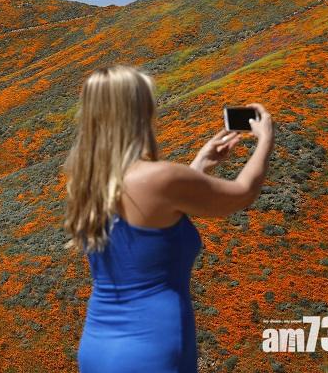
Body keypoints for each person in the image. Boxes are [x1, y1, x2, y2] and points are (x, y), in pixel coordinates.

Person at [62, 64, 274, 373]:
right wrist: (265, 138)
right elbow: (242, 192)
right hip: (151, 351)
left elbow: (151, 217)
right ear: (138, 112)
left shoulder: (90, 183)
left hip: (98, 347)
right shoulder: (159, 178)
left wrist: (198, 165)